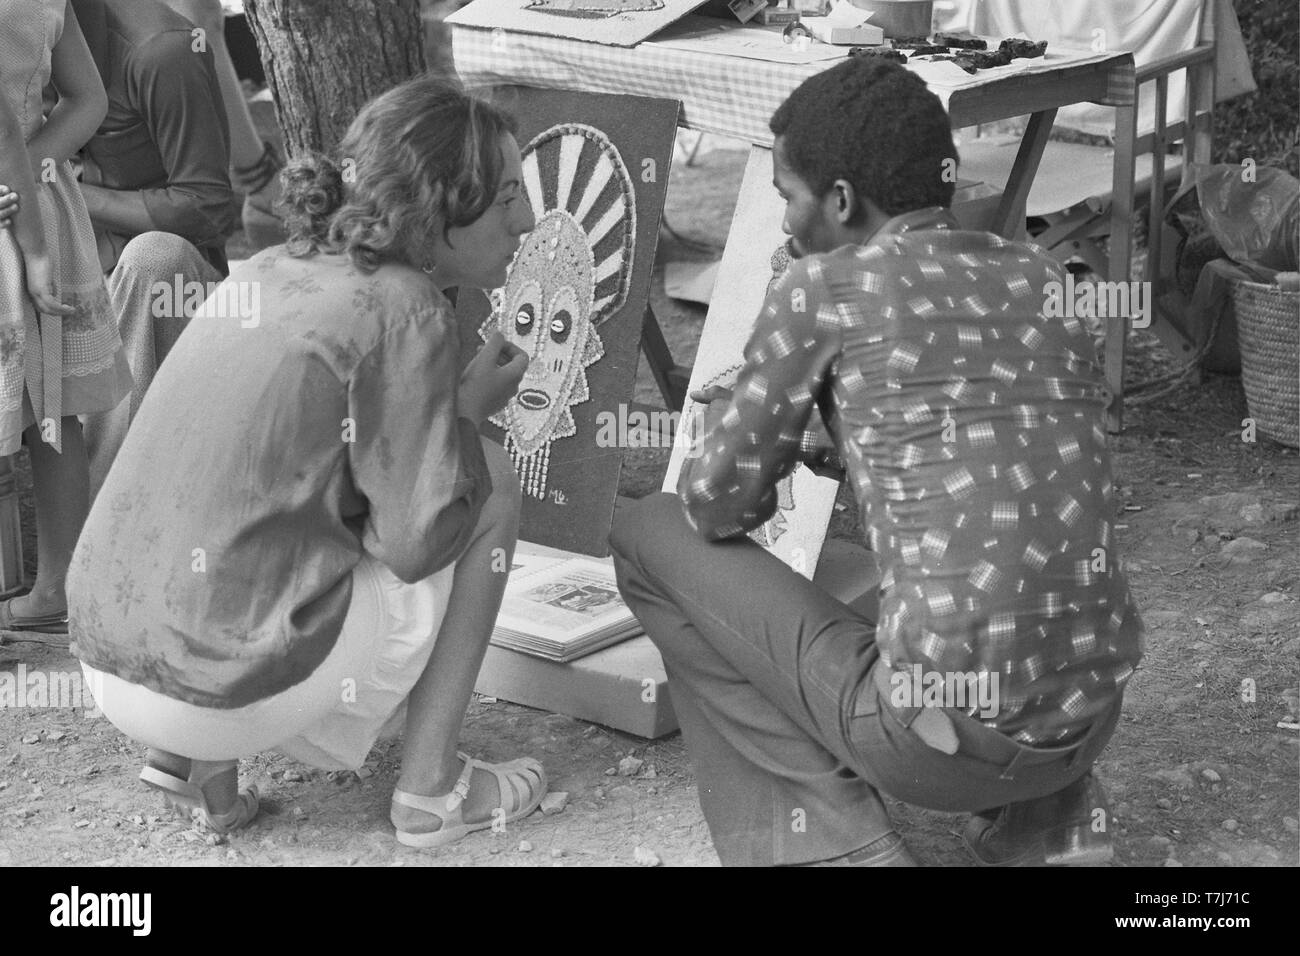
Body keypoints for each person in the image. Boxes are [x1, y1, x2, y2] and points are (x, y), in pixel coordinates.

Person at [610, 58, 1144, 867]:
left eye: (788, 194)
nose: (784, 222)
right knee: (972, 570)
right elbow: (991, 454)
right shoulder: (1044, 276)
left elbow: (717, 506)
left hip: (934, 743)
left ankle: (829, 846)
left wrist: (746, 418)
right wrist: (836, 426)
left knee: (649, 533)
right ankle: (1050, 821)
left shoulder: (821, 288)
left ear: (842, 201)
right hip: (1090, 719)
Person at [67, 76, 548, 846]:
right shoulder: (407, 303)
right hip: (221, 682)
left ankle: (196, 766)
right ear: (438, 207)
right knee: (490, 484)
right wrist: (462, 413)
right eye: (505, 198)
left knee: (267, 517)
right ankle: (433, 790)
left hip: (110, 659)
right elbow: (415, 543)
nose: (525, 220)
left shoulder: (266, 267)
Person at [0, 0, 133, 635]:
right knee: (52, 404)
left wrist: (14, 170)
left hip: (14, 214)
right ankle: (60, 586)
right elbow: (88, 101)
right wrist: (32, 164)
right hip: (40, 199)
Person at [68, 0, 236, 497]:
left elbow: (207, 208)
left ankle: (106, 513)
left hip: (167, 306)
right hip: (60, 284)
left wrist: (72, 193)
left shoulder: (163, 51)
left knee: (155, 259)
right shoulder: (19, 43)